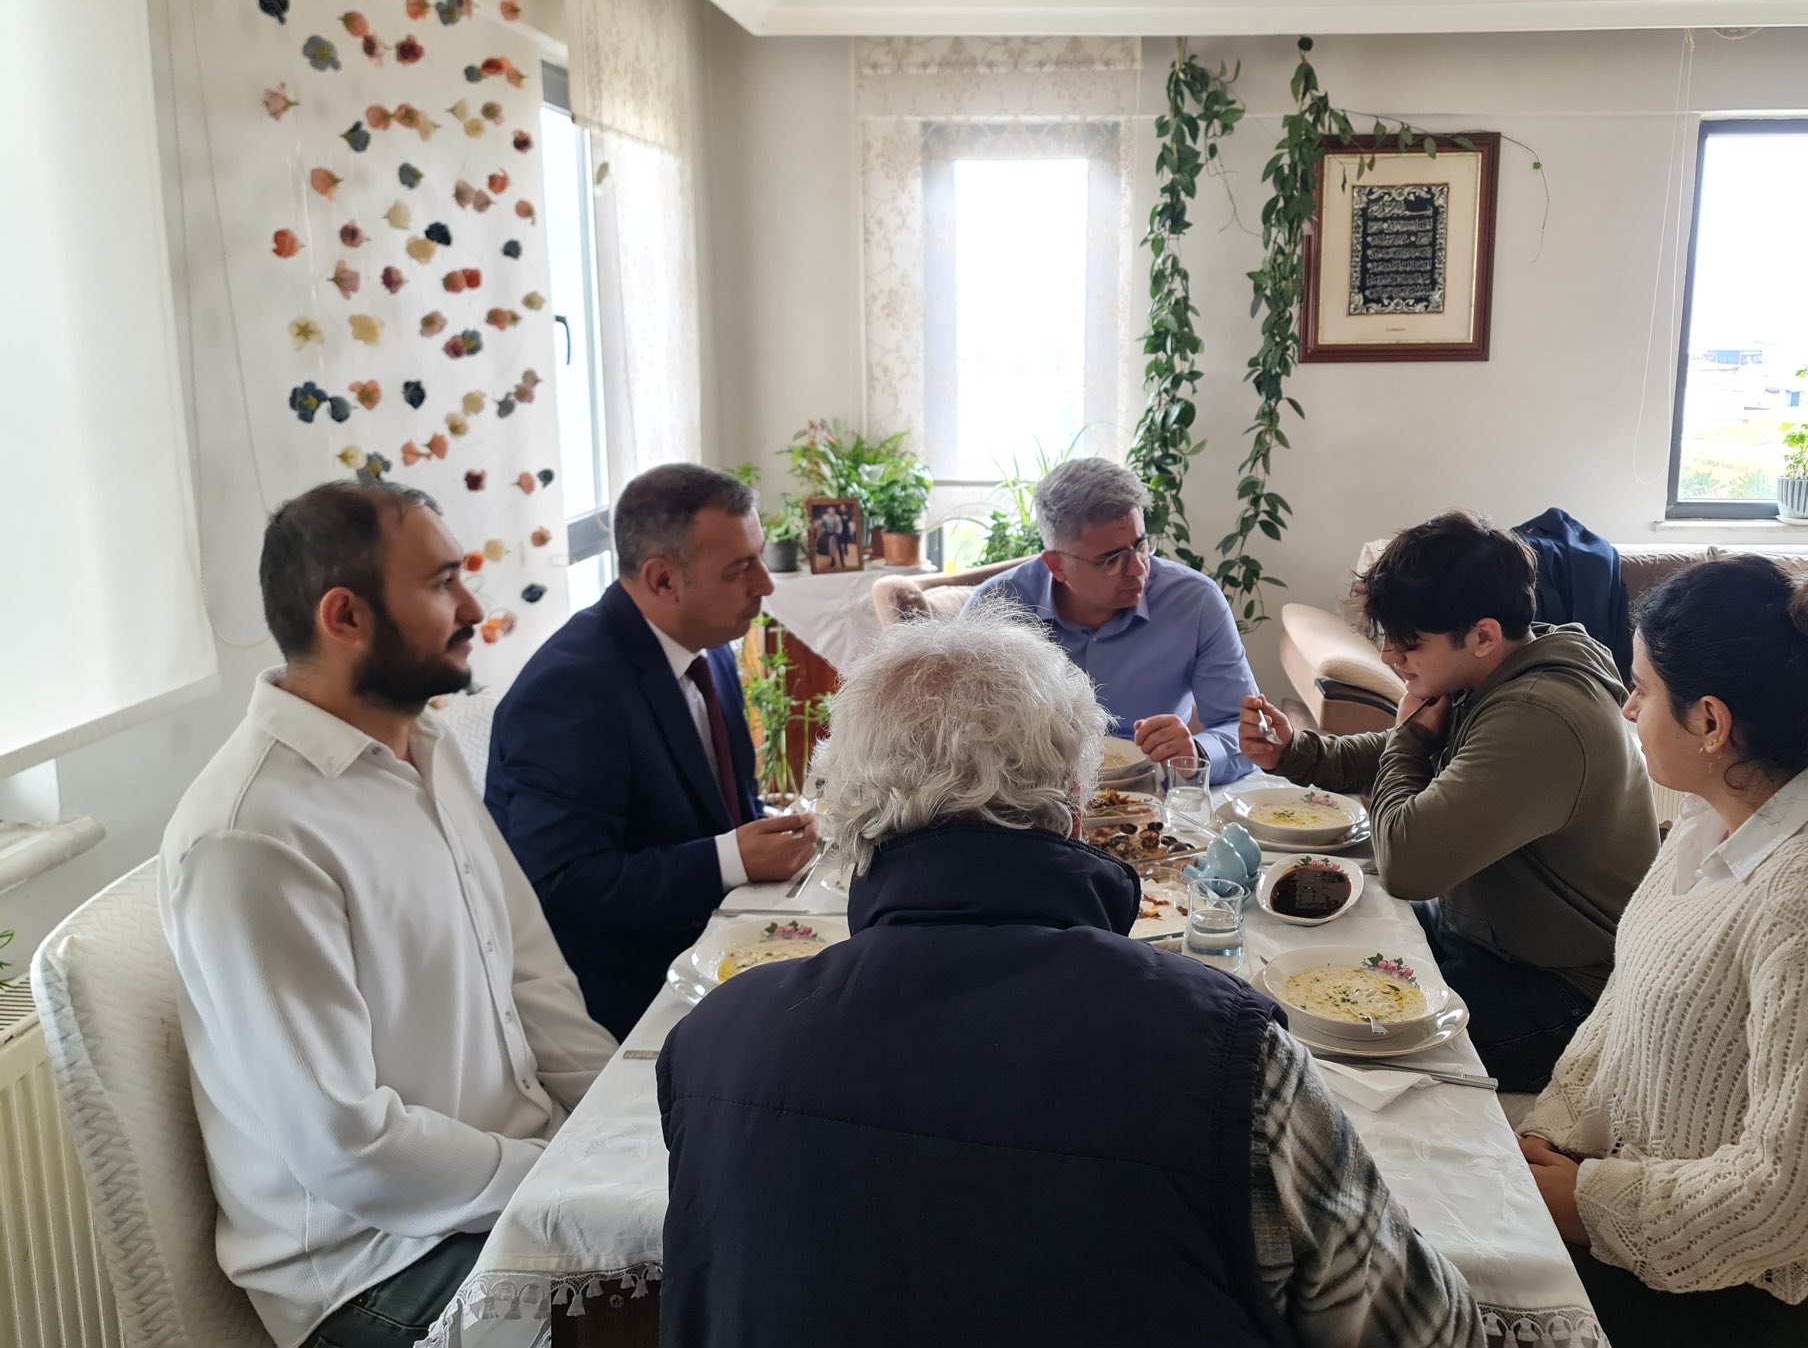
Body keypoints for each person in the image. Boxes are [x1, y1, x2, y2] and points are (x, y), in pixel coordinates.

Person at [654, 603, 1483, 1348]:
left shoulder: (711, 1041)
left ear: (848, 811)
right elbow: (1428, 1332)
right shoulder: (1222, 1051)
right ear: (1077, 808)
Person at [160, 482, 617, 1348]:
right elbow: (349, 1150)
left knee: (744, 1218)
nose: (473, 608)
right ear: (346, 616)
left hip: (510, 1189)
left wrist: (622, 1128)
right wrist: (566, 1173)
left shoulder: (427, 749)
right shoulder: (251, 835)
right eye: (443, 583)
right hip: (375, 1268)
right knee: (710, 1294)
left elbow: (533, 981)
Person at [1517, 555, 1808, 1348]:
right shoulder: (1715, 818)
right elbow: (1627, 1008)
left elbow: (1805, 1197)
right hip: (1649, 1209)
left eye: (1641, 689)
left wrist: (1589, 1202)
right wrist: (1553, 1136)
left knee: (1429, 1293)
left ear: (1711, 723)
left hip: (1757, 1294)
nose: (1629, 708)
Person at [1239, 511, 1657, 1091]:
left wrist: (1407, 741)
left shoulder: (1539, 715)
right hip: (1487, 942)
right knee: (1299, 948)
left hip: (1566, 995)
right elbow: (1415, 750)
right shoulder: (1500, 671)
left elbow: (1408, 864)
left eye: (1409, 643)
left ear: (1483, 635)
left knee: (1314, 1037)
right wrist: (1295, 752)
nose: (1390, 658)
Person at [487, 464, 817, 1038]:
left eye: (760, 558)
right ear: (663, 580)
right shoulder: (569, 690)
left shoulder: (708, 647)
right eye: (739, 568)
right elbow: (562, 885)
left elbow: (719, 808)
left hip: (715, 946)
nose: (765, 584)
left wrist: (772, 833)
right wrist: (731, 858)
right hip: (624, 996)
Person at [964, 456, 1259, 783]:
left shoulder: (1194, 602)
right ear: (1057, 565)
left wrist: (1198, 753)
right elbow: (954, 730)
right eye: (1111, 559)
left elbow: (1245, 730)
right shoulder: (997, 607)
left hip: (1152, 792)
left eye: (1141, 545)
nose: (1137, 569)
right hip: (1031, 794)